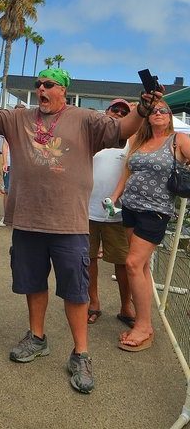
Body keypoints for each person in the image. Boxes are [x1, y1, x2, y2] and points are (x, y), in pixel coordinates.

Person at [0, 52, 159, 394]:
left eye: (48, 84)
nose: (41, 88)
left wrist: (141, 109)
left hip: (68, 222)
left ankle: (80, 353)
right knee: (33, 283)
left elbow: (122, 130)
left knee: (75, 290)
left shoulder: (84, 119)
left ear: (63, 90)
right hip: (27, 219)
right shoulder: (19, 118)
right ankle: (37, 337)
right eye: (38, 84)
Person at [115, 101, 190, 351]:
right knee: (142, 266)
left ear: (170, 116)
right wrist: (115, 197)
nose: (158, 113)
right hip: (130, 207)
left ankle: (144, 325)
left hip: (155, 211)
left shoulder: (178, 140)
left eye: (163, 110)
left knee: (133, 264)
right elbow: (127, 172)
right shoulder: (138, 140)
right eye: (153, 111)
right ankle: (143, 319)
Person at [86, 99, 134, 327]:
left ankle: (126, 306)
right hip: (86, 210)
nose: (119, 113)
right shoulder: (92, 137)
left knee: (122, 263)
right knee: (88, 260)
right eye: (115, 109)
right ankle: (93, 302)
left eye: (124, 112)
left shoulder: (130, 141)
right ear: (106, 112)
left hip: (118, 213)